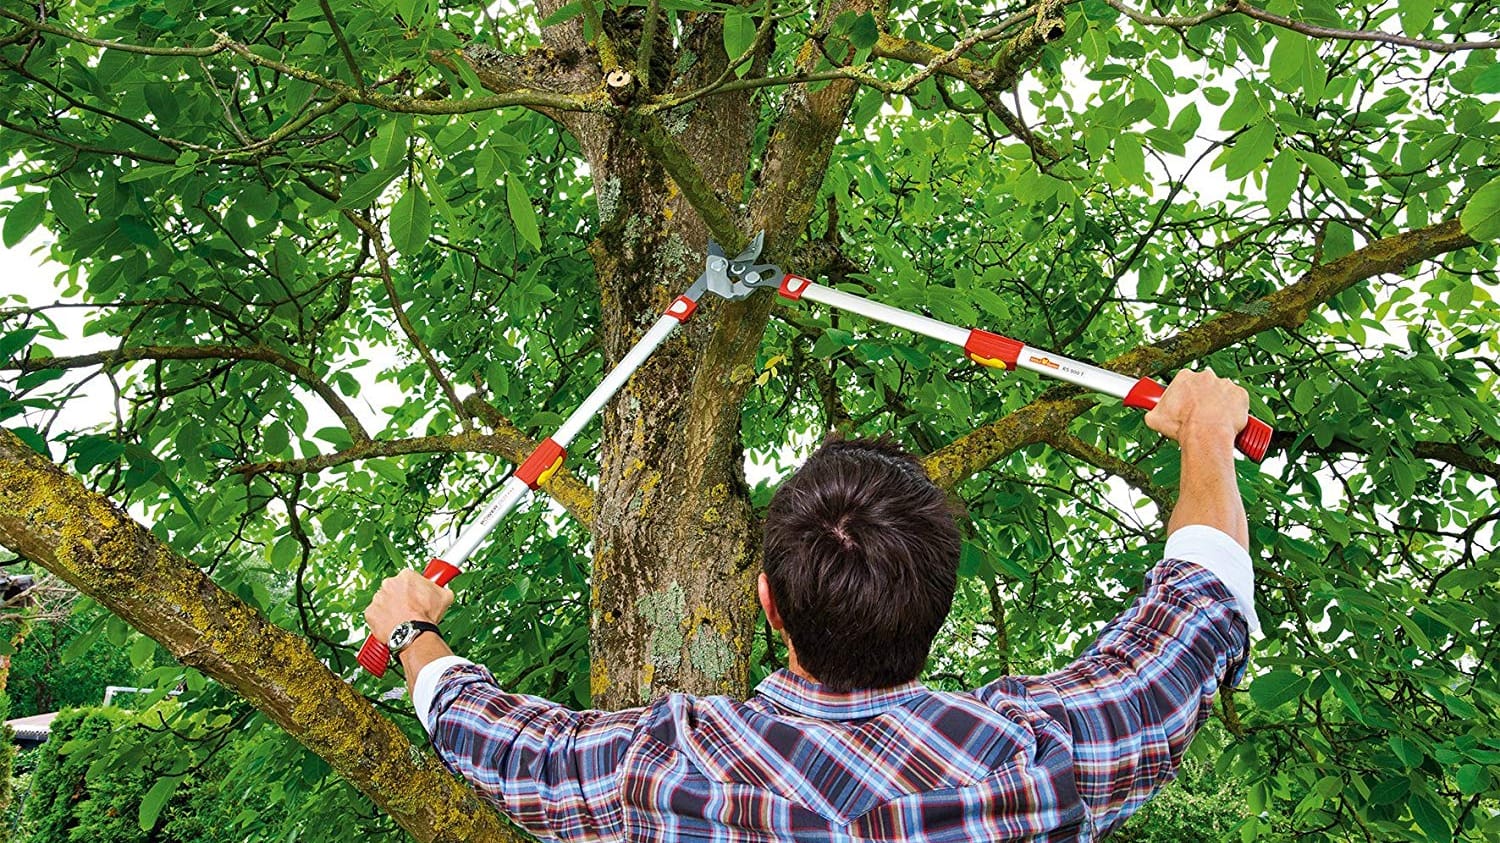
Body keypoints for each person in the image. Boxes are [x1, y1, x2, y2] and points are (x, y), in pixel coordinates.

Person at [366, 369, 1257, 841]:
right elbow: (1194, 608)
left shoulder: (663, 767)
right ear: (936, 602)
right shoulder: (1039, 756)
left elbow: (510, 743)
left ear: (767, 603)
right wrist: (1208, 436)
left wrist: (414, 635)